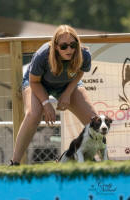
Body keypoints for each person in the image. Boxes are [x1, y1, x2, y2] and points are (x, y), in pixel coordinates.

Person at [10, 24, 97, 165]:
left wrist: (67, 93)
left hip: (66, 84)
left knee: (94, 121)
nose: (69, 49)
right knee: (33, 114)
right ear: (56, 46)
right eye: (64, 46)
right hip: (38, 84)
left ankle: (96, 161)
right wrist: (46, 103)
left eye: (73, 45)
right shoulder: (43, 55)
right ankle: (15, 163)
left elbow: (80, 72)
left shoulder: (83, 54)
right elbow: (34, 81)